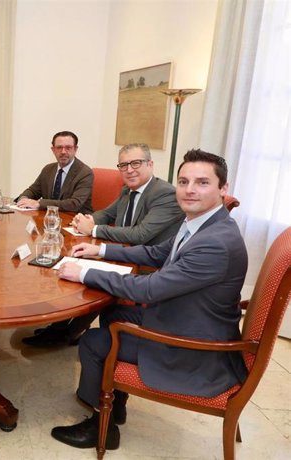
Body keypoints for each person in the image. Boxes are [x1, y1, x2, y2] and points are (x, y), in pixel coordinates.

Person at [50, 149, 248, 451]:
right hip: (186, 316)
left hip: (192, 346)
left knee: (92, 343)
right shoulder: (202, 222)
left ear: (223, 189)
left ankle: (99, 425)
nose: (190, 189)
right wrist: (99, 252)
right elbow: (156, 253)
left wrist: (84, 274)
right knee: (115, 312)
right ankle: (114, 403)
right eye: (183, 181)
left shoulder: (215, 244)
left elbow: (149, 290)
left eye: (202, 182)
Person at [22, 143, 184, 347]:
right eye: (123, 165)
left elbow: (141, 234)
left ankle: (66, 332)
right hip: (123, 252)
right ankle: (61, 328)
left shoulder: (165, 193)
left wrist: (94, 230)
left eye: (136, 163)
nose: (129, 170)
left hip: (148, 265)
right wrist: (85, 219)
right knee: (74, 261)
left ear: (150, 164)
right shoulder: (128, 190)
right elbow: (106, 213)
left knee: (91, 273)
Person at [16, 131, 93, 213]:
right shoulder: (48, 169)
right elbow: (33, 191)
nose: (63, 152)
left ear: (75, 149)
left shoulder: (85, 173)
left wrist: (39, 203)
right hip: (50, 218)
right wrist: (24, 199)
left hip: (75, 219)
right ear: (53, 150)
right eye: (59, 147)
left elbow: (74, 204)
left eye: (68, 147)